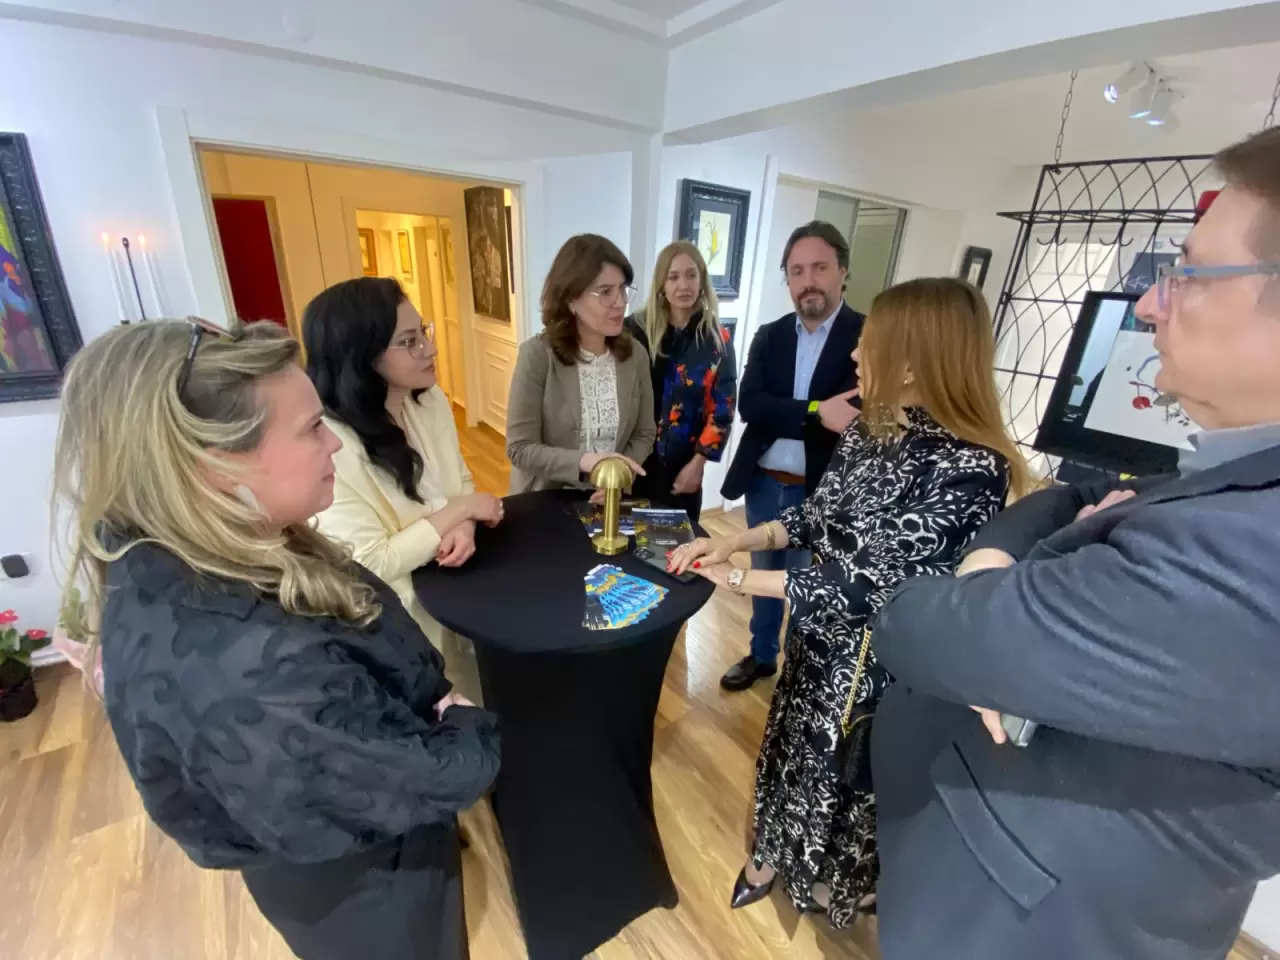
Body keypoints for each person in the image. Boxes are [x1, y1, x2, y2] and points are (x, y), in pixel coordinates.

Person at [870, 127, 1280, 960]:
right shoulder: (1232, 480)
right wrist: (999, 562)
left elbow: (916, 623)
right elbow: (1079, 495)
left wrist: (983, 582)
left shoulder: (1246, 557)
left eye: (1190, 275)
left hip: (1019, 930)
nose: (1148, 305)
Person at [53, 319, 500, 960]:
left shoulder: (177, 555)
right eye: (312, 429)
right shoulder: (258, 671)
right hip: (369, 886)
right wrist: (464, 722)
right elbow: (428, 776)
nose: (334, 444)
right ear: (214, 465)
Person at [670, 277, 1027, 928]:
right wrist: (737, 540)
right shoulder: (871, 427)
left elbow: (862, 583)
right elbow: (815, 518)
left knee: (844, 777)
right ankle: (771, 856)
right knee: (789, 748)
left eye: (871, 342)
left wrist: (738, 580)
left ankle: (831, 884)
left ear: (914, 361)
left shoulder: (974, 469)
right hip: (818, 639)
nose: (857, 353)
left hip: (876, 668)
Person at [303, 277, 503, 650]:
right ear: (360, 356)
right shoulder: (329, 444)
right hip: (394, 623)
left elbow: (460, 481)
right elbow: (370, 562)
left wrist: (465, 525)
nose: (431, 348)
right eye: (409, 341)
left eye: (423, 332)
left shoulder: (428, 401)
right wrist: (461, 510)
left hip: (457, 593)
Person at [717, 221, 864, 692]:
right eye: (797, 271)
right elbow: (751, 405)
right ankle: (762, 656)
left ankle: (801, 670)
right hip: (764, 481)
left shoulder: (867, 339)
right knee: (764, 576)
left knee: (807, 586)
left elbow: (857, 414)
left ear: (843, 271)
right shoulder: (770, 335)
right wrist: (818, 411)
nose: (808, 281)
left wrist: (787, 411)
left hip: (822, 490)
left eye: (819, 267)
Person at [506, 233, 656, 495]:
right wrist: (587, 462)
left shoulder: (636, 355)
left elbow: (644, 434)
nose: (620, 302)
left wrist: (618, 477)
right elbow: (520, 448)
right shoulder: (537, 355)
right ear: (571, 299)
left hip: (609, 498)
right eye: (606, 292)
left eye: (622, 289)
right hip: (545, 498)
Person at [625, 240, 737, 522]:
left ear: (702, 280)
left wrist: (699, 464)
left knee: (678, 545)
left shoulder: (717, 339)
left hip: (684, 470)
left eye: (691, 275)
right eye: (673, 277)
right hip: (633, 464)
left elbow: (722, 410)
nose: (683, 286)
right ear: (661, 284)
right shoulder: (634, 331)